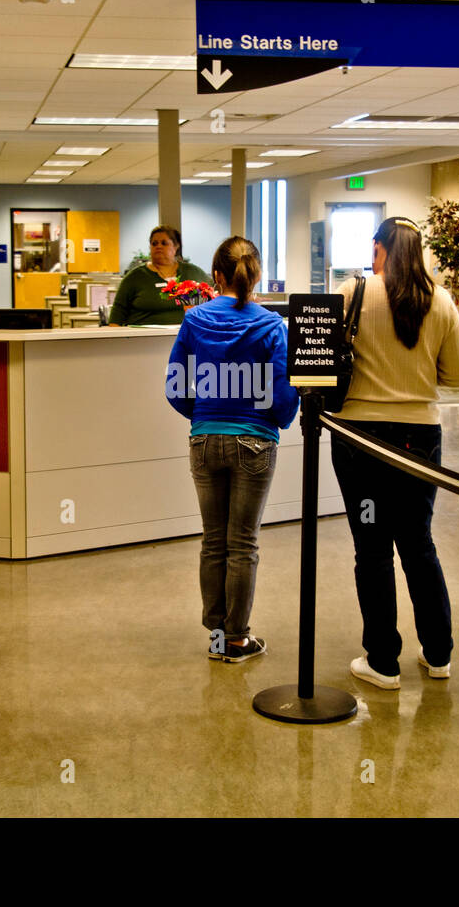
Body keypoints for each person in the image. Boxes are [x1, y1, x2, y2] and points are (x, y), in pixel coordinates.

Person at [330, 217, 459, 689]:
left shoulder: (353, 292)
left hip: (359, 436)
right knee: (418, 543)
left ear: (379, 248)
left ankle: (383, 661)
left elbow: (324, 362)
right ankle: (438, 654)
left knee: (371, 548)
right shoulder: (441, 298)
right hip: (419, 437)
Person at [165, 236, 299, 662]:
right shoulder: (272, 326)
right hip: (254, 442)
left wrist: (203, 414)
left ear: (215, 276)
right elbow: (280, 400)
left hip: (204, 440)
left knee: (213, 541)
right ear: (256, 275)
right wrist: (276, 417)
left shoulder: (195, 320)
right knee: (243, 542)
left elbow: (174, 387)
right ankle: (238, 639)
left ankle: (217, 636)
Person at [109, 225, 211, 326]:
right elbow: (117, 312)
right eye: (154, 243)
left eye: (164, 243)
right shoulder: (135, 277)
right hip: (142, 338)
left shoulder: (192, 272)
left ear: (176, 246)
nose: (158, 246)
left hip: (186, 335)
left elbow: (214, 298)